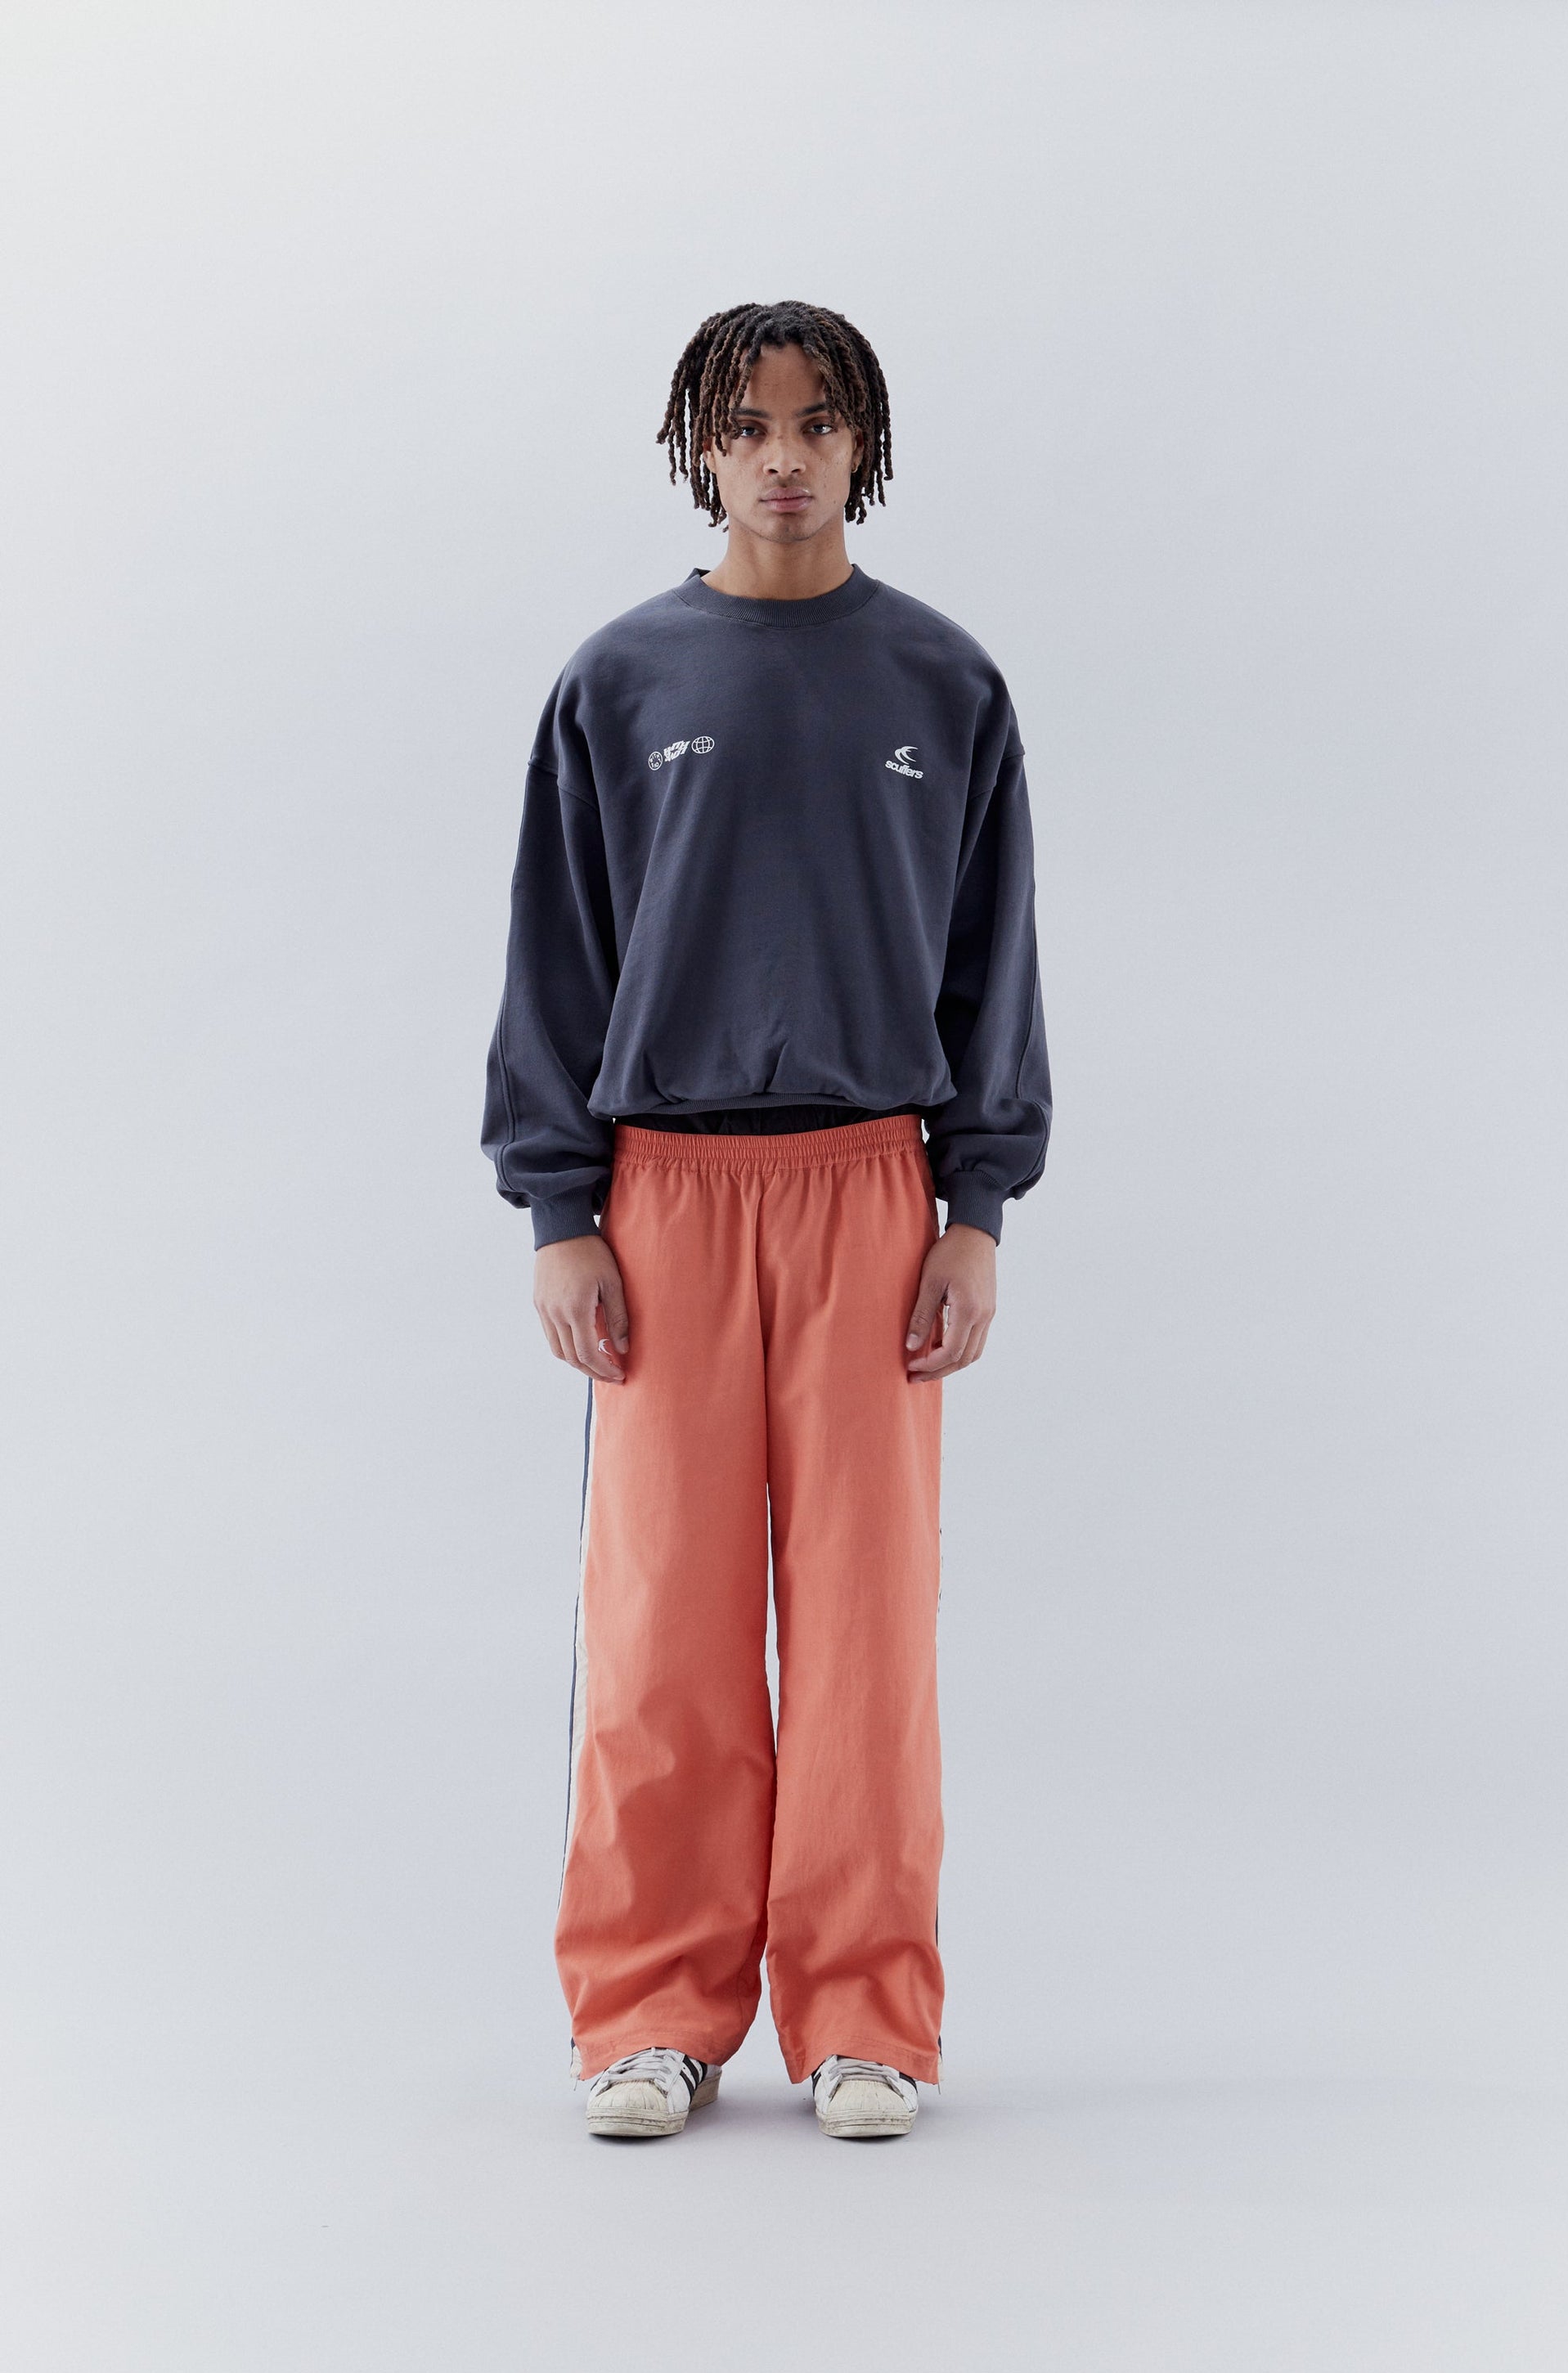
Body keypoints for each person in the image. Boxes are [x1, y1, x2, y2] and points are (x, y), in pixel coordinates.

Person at [483, 299, 1050, 2141]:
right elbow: (557, 955)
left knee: (868, 1627)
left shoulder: (943, 683)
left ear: (862, 443)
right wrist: (561, 1206)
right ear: (698, 447)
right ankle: (651, 2009)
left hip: (873, 1189)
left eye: (816, 423)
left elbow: (993, 963)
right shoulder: (620, 681)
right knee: (663, 1622)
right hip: (664, 1193)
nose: (782, 456)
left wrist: (975, 1204)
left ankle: (864, 2014)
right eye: (745, 424)